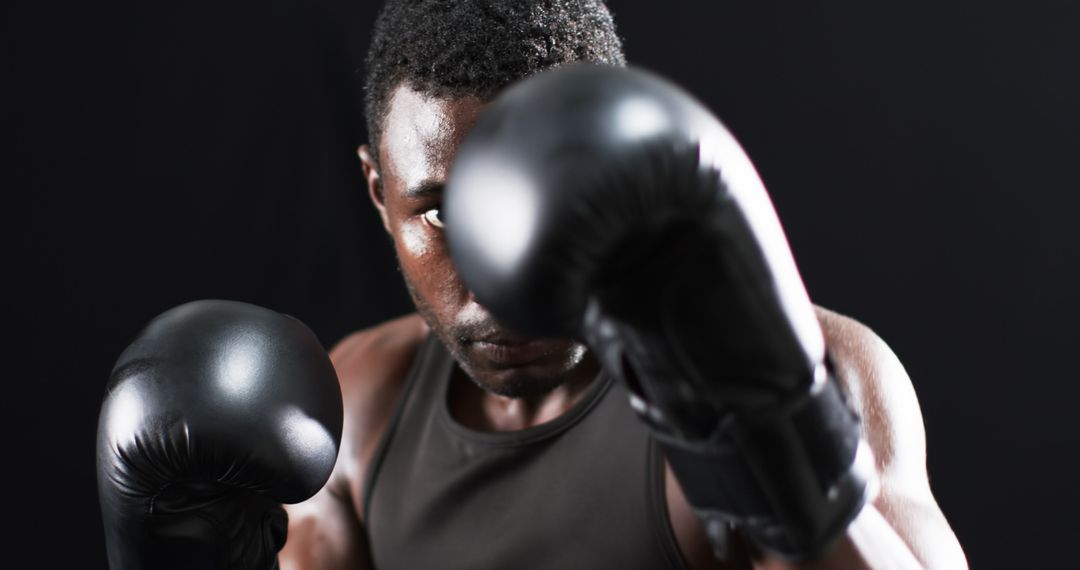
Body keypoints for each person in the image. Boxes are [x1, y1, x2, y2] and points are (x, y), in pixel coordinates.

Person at [272, 0, 969, 568]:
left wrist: (783, 441)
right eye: (440, 214)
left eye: (529, 207)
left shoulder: (825, 370)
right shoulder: (363, 404)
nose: (493, 285)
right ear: (379, 191)